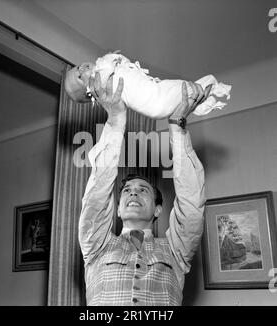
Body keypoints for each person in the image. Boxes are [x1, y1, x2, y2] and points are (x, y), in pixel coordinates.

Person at [78, 72, 210, 306]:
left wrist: (177, 127)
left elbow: (191, 204)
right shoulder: (96, 246)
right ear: (117, 210)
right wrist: (116, 120)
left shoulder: (175, 251)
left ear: (158, 210)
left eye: (143, 190)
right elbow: (97, 197)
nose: (133, 193)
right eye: (127, 190)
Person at [65, 52, 231, 119]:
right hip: (152, 98)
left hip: (154, 100)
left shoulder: (105, 79)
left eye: (78, 66)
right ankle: (211, 89)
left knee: (184, 92)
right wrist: (111, 56)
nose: (82, 68)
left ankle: (203, 99)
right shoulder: (100, 80)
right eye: (79, 76)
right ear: (87, 91)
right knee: (183, 88)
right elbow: (109, 64)